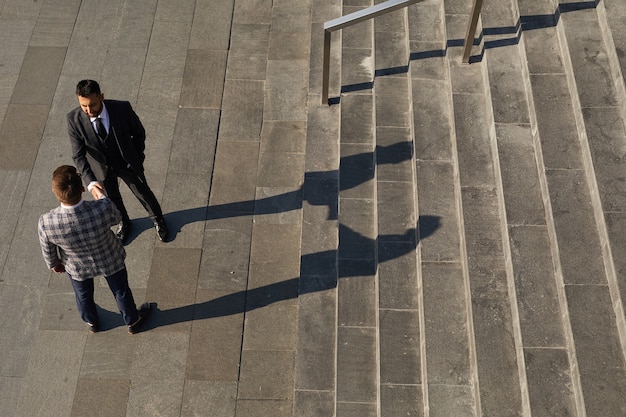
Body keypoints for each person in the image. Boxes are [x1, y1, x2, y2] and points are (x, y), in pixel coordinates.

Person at [38, 165, 152, 334]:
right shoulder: (101, 208)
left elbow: (47, 248)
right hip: (110, 257)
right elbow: (117, 218)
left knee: (83, 295)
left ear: (56, 194)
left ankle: (92, 322)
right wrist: (101, 196)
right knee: (121, 291)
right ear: (82, 189)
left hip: (76, 266)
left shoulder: (47, 222)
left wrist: (54, 264)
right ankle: (133, 320)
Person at [67, 79, 168, 243]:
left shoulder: (122, 109)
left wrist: (136, 158)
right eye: (83, 106)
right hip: (101, 169)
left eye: (91, 104)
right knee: (112, 199)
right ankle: (124, 222)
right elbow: (78, 155)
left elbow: (139, 134)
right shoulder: (73, 119)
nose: (88, 110)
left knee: (143, 193)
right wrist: (91, 182)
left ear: (101, 97)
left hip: (126, 164)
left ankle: (158, 219)